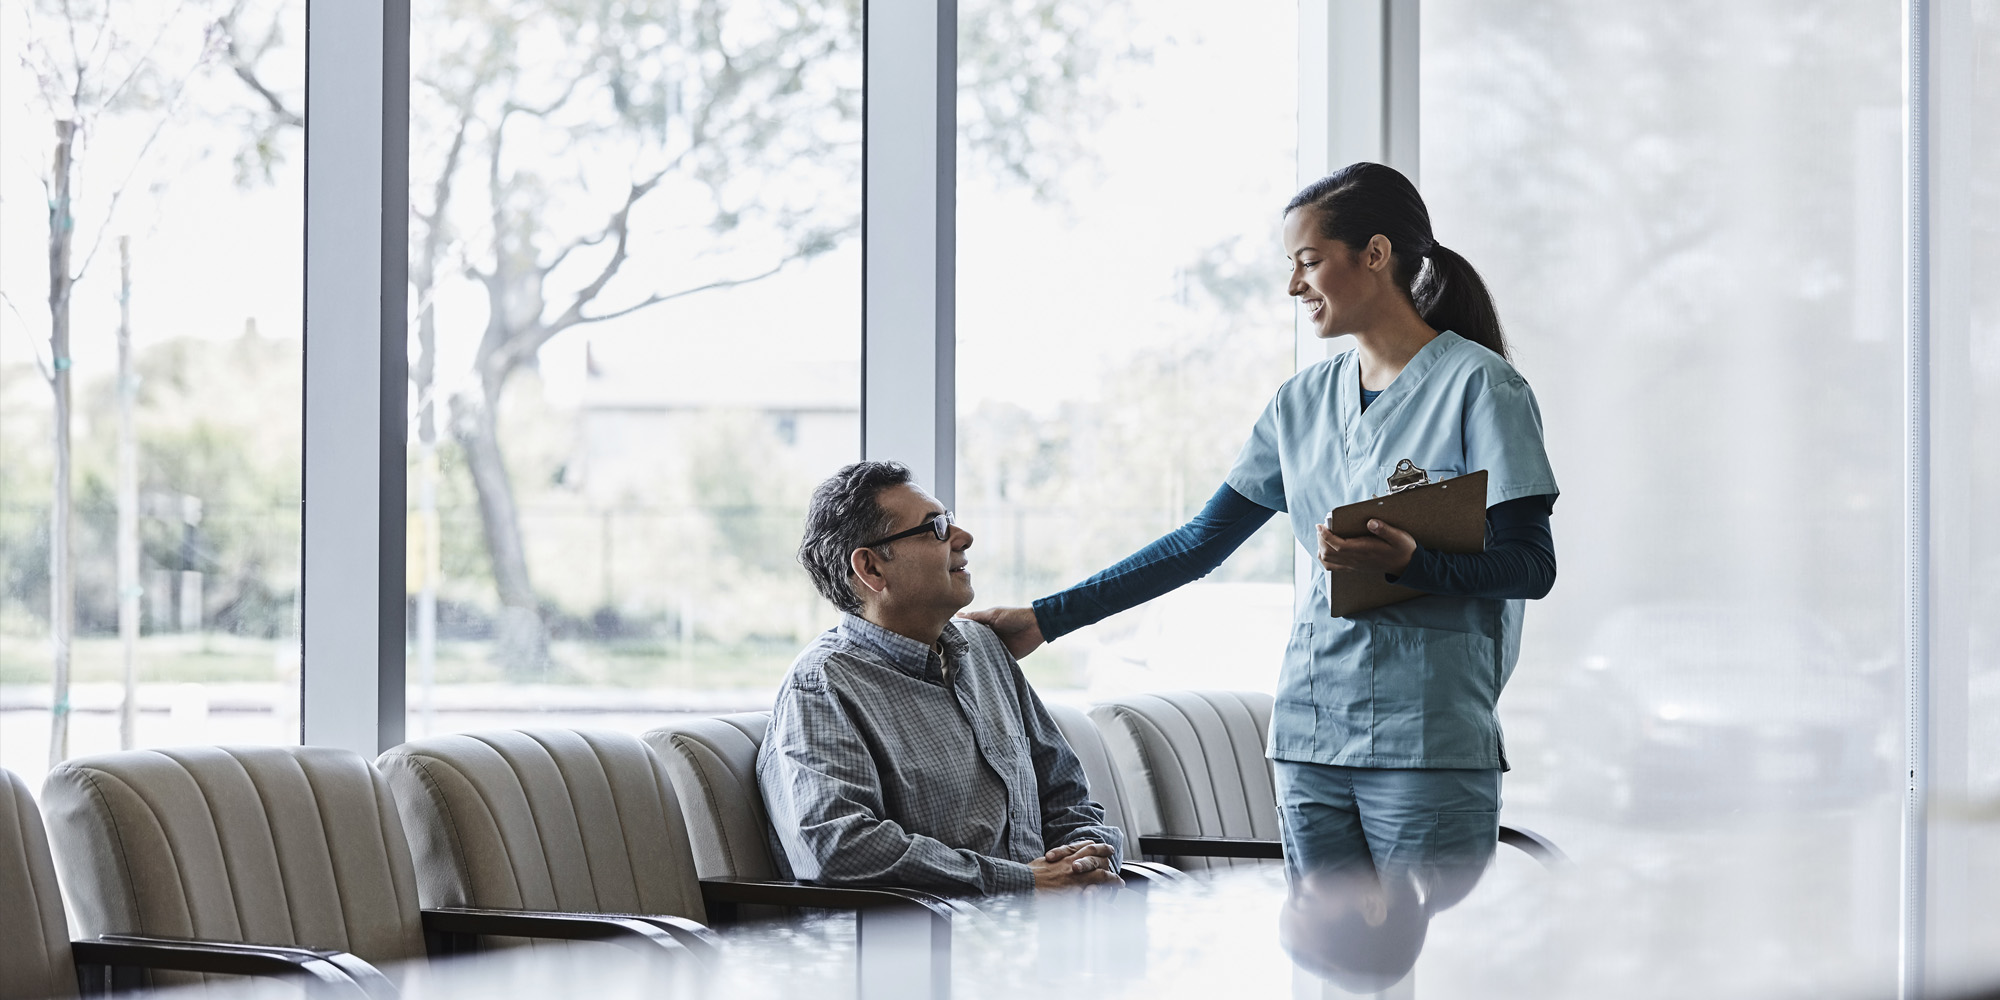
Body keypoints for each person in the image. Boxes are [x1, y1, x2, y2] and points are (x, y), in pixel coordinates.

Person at [966, 162, 1558, 908]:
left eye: (1308, 262)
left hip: (1427, 744)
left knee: (1427, 968)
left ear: (1374, 255)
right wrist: (1043, 620)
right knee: (1330, 967)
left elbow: (1530, 564)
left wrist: (1418, 561)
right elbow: (1199, 544)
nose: (1294, 287)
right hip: (1308, 739)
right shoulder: (1301, 402)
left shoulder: (1482, 388)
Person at [758, 460, 1125, 896]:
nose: (964, 537)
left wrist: (1086, 862)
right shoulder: (823, 685)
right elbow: (839, 847)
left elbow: (1065, 795)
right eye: (936, 527)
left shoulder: (984, 649)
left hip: (1045, 934)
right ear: (872, 568)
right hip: (924, 949)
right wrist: (1023, 882)